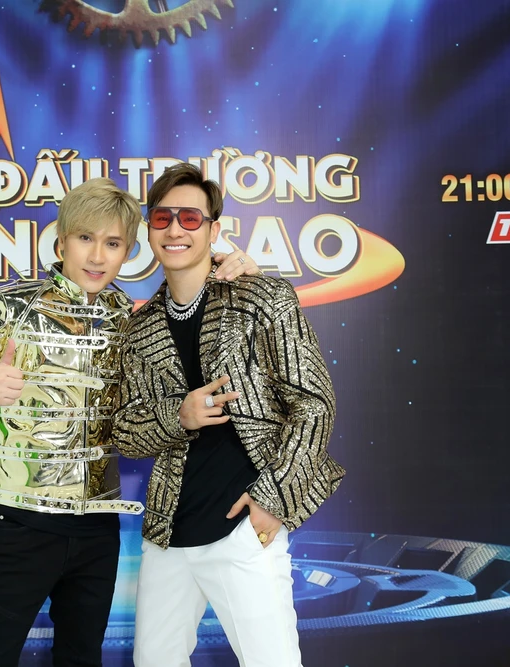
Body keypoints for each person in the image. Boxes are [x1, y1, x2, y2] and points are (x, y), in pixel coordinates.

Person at [0, 176, 259, 667]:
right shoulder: (12, 306)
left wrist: (236, 270)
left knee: (82, 658)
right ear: (61, 243)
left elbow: (191, 306)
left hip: (98, 526)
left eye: (113, 243)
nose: (97, 256)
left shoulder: (130, 318)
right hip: (22, 522)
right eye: (85, 238)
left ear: (128, 253)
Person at [112, 163, 346, 667]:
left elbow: (314, 403)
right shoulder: (138, 329)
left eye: (191, 218)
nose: (175, 229)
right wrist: (178, 416)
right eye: (162, 218)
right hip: (168, 532)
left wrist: (273, 499)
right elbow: (125, 432)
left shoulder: (262, 297)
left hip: (245, 527)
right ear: (149, 231)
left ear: (214, 229)